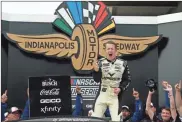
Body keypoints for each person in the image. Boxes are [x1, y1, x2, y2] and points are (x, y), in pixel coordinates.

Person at [91, 41, 131, 121]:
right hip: (102, 94)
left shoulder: (123, 63)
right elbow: (96, 80)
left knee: (117, 120)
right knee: (95, 119)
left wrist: (120, 88)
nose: (110, 50)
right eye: (108, 49)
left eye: (112, 49)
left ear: (116, 52)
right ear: (105, 51)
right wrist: (96, 71)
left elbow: (127, 80)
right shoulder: (100, 63)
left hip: (114, 96)